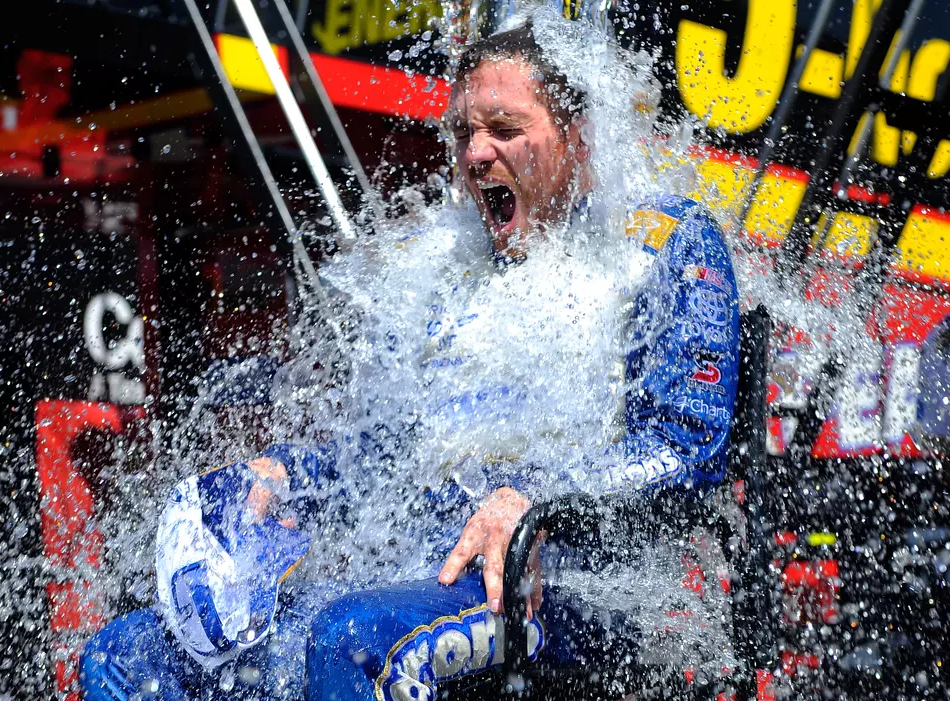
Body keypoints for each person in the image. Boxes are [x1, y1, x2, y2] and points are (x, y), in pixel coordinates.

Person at [80, 17, 739, 701]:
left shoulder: (662, 244)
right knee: (125, 654)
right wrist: (283, 473)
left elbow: (687, 450)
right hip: (420, 579)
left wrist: (540, 508)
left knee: (347, 639)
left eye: (505, 129)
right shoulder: (437, 271)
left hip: (573, 595)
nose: (476, 153)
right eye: (462, 133)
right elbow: (377, 466)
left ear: (577, 134)